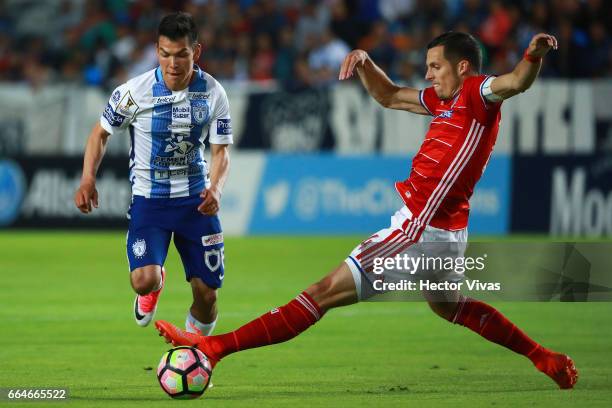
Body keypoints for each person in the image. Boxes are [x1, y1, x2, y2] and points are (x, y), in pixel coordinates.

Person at [154, 31, 578, 389]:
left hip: (417, 230)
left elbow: (516, 82)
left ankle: (214, 346)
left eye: (435, 66)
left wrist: (531, 56)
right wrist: (364, 64)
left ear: (463, 66)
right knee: (453, 306)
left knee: (318, 295)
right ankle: (543, 357)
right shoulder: (443, 101)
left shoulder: (477, 92)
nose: (428, 74)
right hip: (448, 235)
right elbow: (390, 95)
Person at [74, 12, 233, 336]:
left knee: (207, 296)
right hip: (151, 201)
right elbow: (100, 133)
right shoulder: (134, 92)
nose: (172, 63)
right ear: (157, 50)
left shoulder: (214, 93)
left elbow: (221, 152)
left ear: (196, 52)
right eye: (165, 54)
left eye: (181, 55)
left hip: (195, 202)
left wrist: (215, 188)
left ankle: (192, 352)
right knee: (143, 281)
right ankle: (155, 284)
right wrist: (88, 178)